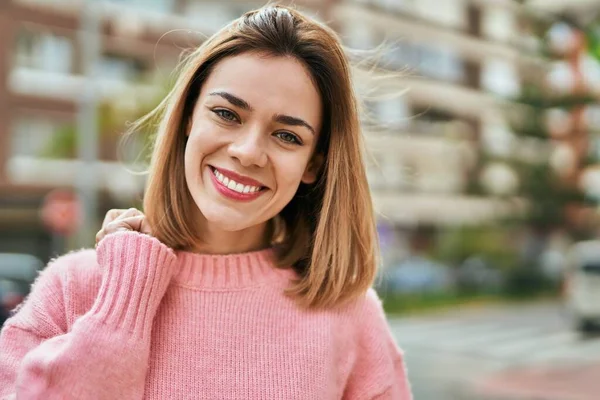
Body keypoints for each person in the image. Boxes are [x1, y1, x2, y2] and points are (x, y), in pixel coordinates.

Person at [0, 5, 412, 399]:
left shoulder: (348, 314)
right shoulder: (74, 289)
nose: (249, 152)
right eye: (227, 114)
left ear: (313, 165)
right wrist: (122, 300)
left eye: (287, 136)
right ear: (187, 119)